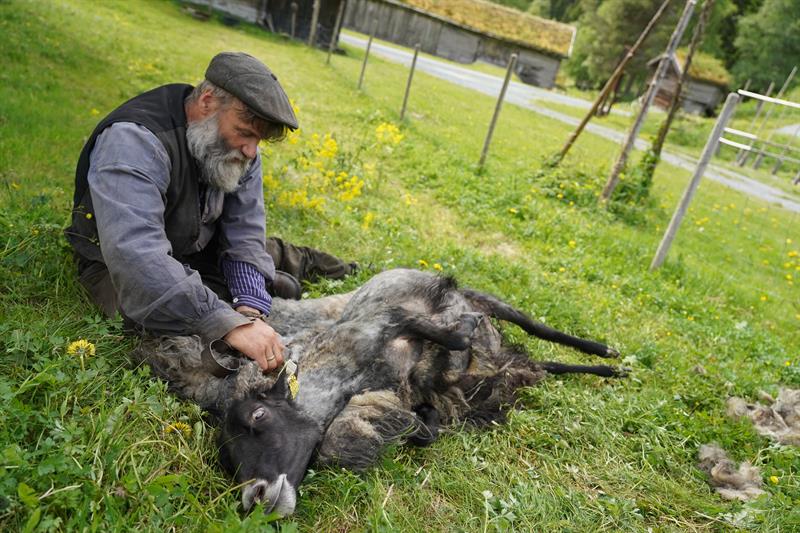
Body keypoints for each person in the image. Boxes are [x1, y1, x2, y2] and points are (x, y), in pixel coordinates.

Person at [65, 51, 354, 373]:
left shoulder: (240, 148)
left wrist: (250, 307)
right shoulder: (133, 140)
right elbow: (136, 256)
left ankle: (327, 269)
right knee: (163, 325)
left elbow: (244, 232)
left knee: (260, 260)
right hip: (116, 265)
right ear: (207, 102)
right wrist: (229, 324)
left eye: (258, 140)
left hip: (197, 244)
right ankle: (253, 287)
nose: (251, 151)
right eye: (245, 132)